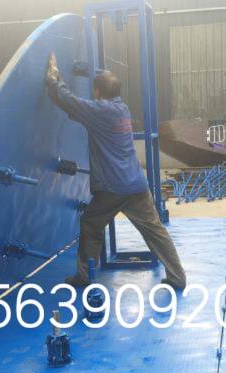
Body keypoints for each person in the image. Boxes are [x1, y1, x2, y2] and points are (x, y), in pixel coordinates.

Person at [44, 54, 186, 290]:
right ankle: (178, 277)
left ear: (97, 92)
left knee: (90, 223)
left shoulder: (100, 111)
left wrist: (53, 80)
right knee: (155, 231)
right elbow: (81, 102)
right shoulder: (122, 108)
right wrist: (89, 73)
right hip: (136, 184)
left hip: (112, 187)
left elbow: (70, 102)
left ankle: (85, 275)